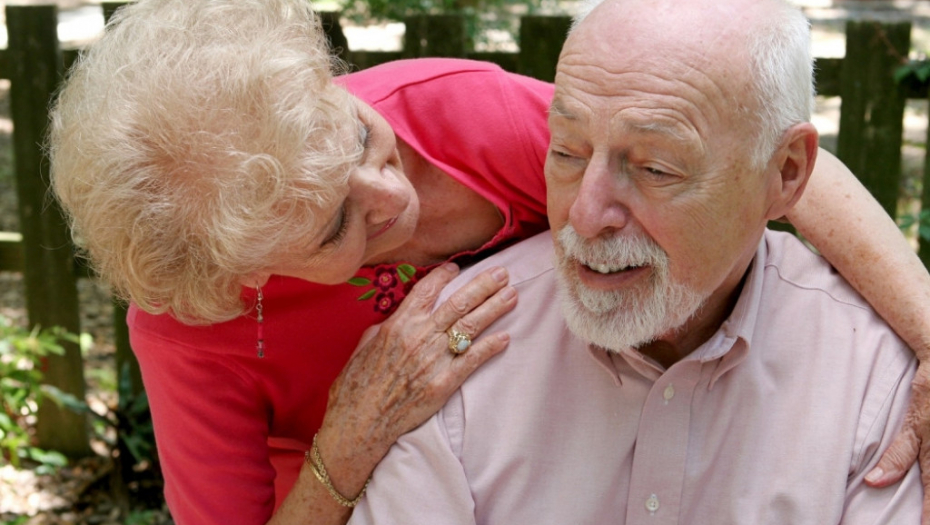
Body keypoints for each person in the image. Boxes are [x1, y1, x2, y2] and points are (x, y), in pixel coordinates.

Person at [46, 0, 930, 523]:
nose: (393, 198)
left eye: (362, 136)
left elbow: (728, 153)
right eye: (333, 228)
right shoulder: (191, 328)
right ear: (238, 274)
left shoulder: (453, 117)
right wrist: (345, 447)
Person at [345, 0, 923, 523]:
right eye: (567, 152)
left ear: (787, 172)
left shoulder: (878, 382)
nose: (585, 215)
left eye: (656, 169)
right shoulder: (447, 353)